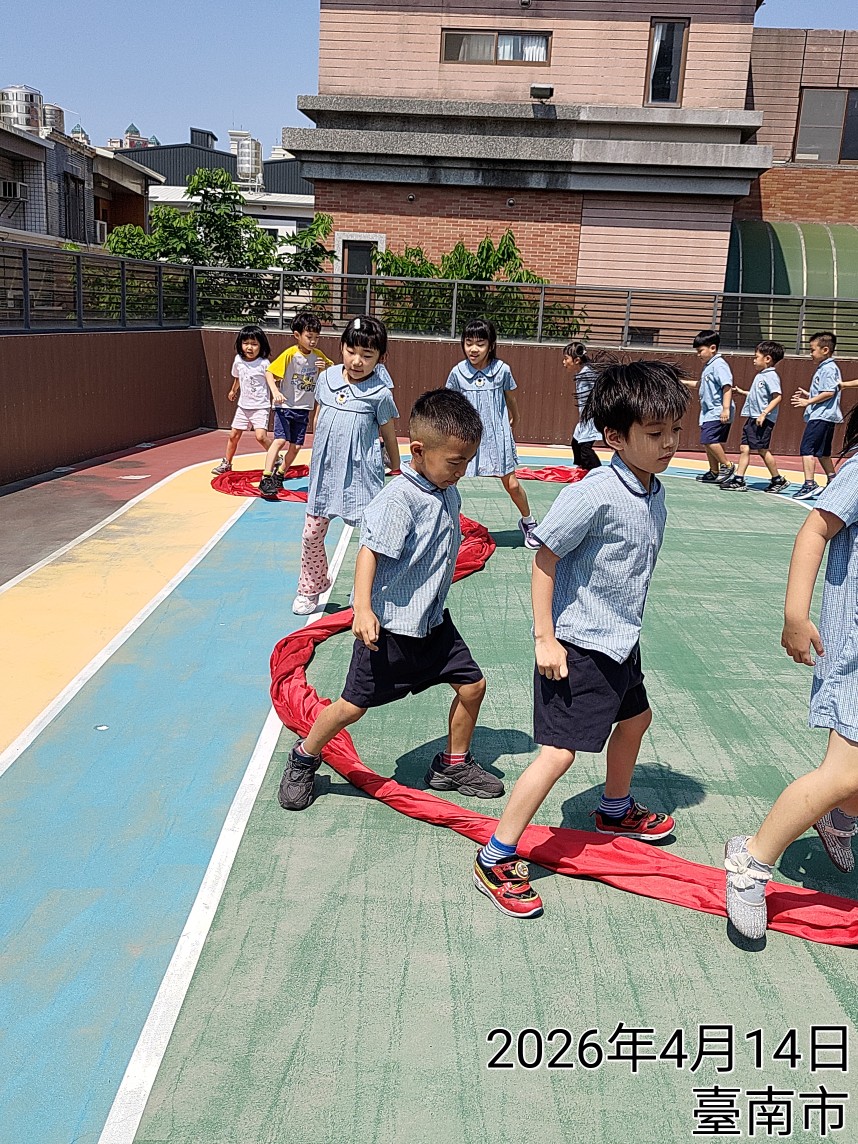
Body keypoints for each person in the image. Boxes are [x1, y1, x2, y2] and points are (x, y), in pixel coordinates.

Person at [472, 361, 690, 919]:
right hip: (578, 645)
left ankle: (613, 810)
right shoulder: (593, 494)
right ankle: (496, 855)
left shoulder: (654, 490)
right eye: (655, 433)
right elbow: (544, 560)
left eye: (674, 430)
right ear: (614, 437)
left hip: (621, 640)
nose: (669, 443)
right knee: (559, 754)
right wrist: (545, 638)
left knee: (636, 719)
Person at [278, 388, 504, 810]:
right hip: (390, 631)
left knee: (473, 686)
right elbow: (370, 552)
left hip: (432, 625)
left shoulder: (446, 491)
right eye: (455, 462)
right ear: (418, 451)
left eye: (467, 462)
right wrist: (363, 609)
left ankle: (452, 764)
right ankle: (304, 756)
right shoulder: (398, 499)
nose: (461, 472)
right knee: (350, 708)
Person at [724, 404, 858, 939]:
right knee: (844, 772)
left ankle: (839, 816)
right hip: (853, 651)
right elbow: (814, 531)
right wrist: (795, 615)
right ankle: (751, 861)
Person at [292, 316, 401, 616]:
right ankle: (311, 586)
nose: (357, 361)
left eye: (367, 355)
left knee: (370, 538)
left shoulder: (380, 393)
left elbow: (388, 432)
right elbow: (319, 416)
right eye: (351, 351)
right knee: (311, 535)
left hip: (362, 476)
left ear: (381, 358)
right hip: (325, 474)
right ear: (341, 347)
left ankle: (366, 593)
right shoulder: (326, 379)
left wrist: (395, 465)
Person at [445, 318, 539, 548]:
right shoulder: (457, 372)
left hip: (497, 436)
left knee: (512, 485)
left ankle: (529, 522)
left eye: (480, 343)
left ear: (491, 345)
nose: (473, 349)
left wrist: (515, 417)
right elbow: (451, 402)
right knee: (449, 482)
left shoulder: (502, 370)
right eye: (468, 342)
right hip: (467, 436)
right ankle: (447, 525)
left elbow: (510, 397)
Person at [259, 311, 333, 497]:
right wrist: (275, 392)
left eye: (316, 337)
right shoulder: (290, 354)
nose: (313, 341)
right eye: (309, 336)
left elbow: (331, 371)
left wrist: (325, 368)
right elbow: (269, 372)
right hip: (285, 407)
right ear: (297, 335)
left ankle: (280, 474)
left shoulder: (318, 356)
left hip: (303, 409)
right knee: (280, 440)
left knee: (297, 446)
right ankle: (266, 477)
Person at [720, 342, 790, 494]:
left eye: (756, 357)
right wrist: (742, 392)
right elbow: (758, 395)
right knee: (744, 448)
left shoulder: (771, 376)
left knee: (762, 450)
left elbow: (777, 397)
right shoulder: (761, 375)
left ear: (767, 359)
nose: (753, 360)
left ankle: (778, 479)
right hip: (753, 418)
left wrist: (764, 414)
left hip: (762, 419)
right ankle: (739, 479)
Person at [211, 325, 273, 475]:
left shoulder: (264, 363)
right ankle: (227, 463)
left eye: (254, 344)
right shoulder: (238, 360)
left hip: (260, 406)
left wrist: (277, 395)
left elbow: (271, 381)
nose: (249, 347)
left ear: (261, 345)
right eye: (246, 343)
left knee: (261, 437)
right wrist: (233, 390)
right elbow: (238, 377)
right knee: (233, 435)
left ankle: (276, 457)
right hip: (243, 406)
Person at [791, 331, 843, 501]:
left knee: (807, 449)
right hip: (826, 416)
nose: (810, 353)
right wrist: (810, 394)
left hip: (821, 416)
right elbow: (825, 391)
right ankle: (833, 482)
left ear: (825, 350)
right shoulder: (826, 368)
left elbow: (829, 392)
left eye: (812, 350)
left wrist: (808, 401)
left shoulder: (828, 368)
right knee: (823, 452)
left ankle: (809, 484)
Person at [685, 330, 735, 485]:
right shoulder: (708, 366)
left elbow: (727, 386)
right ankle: (714, 471)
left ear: (712, 348)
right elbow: (701, 385)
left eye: (700, 351)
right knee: (708, 442)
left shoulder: (719, 365)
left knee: (709, 439)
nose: (698, 354)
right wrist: (682, 382)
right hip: (708, 412)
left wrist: (725, 408)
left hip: (717, 410)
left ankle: (727, 466)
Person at [563, 342, 602, 471]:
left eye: (566, 358)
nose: (564, 362)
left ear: (577, 360)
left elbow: (601, 386)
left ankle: (598, 472)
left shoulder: (587, 373)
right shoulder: (582, 373)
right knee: (576, 444)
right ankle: (582, 469)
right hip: (585, 419)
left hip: (592, 418)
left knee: (585, 449)